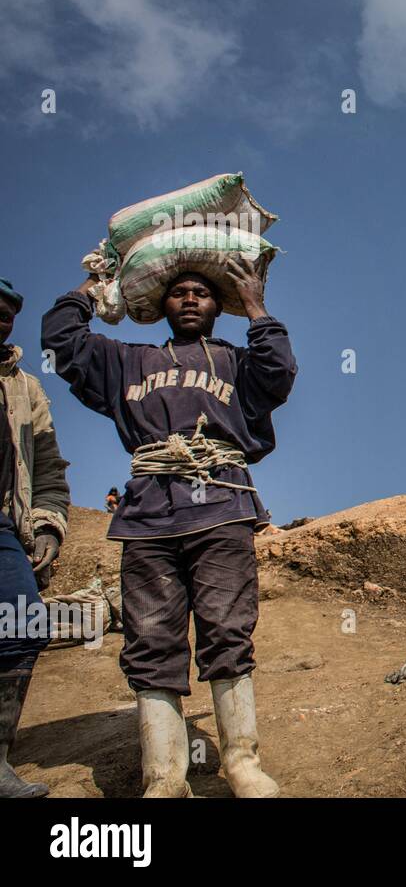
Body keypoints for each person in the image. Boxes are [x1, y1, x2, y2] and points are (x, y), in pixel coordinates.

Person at [42, 259, 296, 798]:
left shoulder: (236, 361)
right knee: (151, 637)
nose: (188, 299)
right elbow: (62, 339)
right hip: (148, 515)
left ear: (215, 306)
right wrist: (93, 286)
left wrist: (255, 305)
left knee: (227, 628)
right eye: (178, 292)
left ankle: (242, 763)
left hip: (223, 507)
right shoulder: (128, 361)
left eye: (201, 293)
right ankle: (163, 776)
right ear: (160, 304)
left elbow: (280, 373)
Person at [0, 278, 71, 798]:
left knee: (22, 624)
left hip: (3, 525)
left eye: (5, 313)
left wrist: (47, 523)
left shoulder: (25, 387)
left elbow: (46, 466)